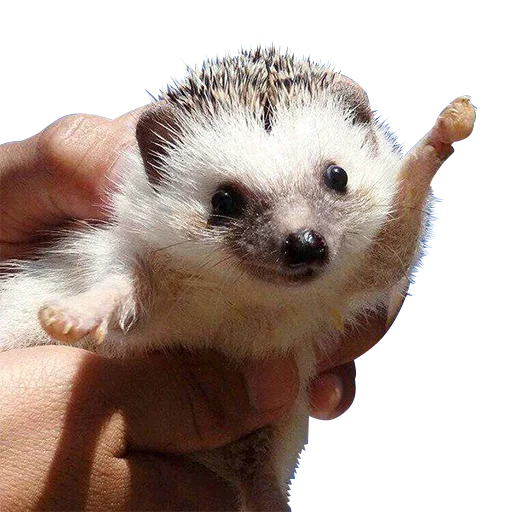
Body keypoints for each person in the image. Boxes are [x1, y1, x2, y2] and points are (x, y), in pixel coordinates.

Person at [0, 108, 405, 510]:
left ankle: (263, 485)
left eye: (334, 182)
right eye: (226, 203)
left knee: (270, 443)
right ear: (156, 170)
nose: (299, 238)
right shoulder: (146, 244)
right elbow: (133, 292)